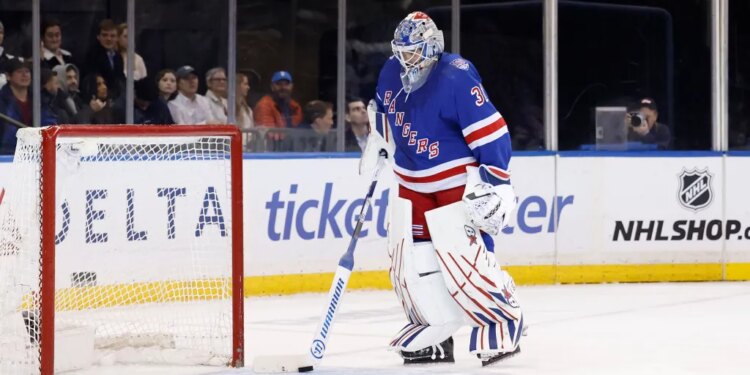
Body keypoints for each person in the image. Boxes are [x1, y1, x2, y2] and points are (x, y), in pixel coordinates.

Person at [362, 12, 523, 367]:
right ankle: (434, 330)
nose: (407, 62)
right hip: (410, 182)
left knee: (462, 257)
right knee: (409, 263)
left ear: (433, 47)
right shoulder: (391, 71)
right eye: (402, 53)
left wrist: (496, 183)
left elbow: (492, 133)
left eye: (415, 53)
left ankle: (502, 317)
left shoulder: (457, 76)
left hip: (453, 183)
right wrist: (378, 138)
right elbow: (383, 111)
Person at [0, 59, 56, 153]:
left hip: (38, 151)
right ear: (8, 76)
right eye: (19, 72)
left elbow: (49, 124)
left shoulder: (40, 100)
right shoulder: (2, 101)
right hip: (8, 154)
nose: (25, 75)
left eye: (27, 71)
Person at [83, 19, 125, 100]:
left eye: (112, 36)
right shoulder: (92, 54)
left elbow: (120, 78)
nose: (109, 39)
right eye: (105, 35)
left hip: (116, 98)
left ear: (117, 38)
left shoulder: (118, 56)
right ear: (98, 37)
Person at [236, 72, 254, 148]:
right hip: (234, 149)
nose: (248, 87)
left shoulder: (248, 110)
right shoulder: (227, 106)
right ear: (237, 85)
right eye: (245, 84)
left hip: (248, 150)